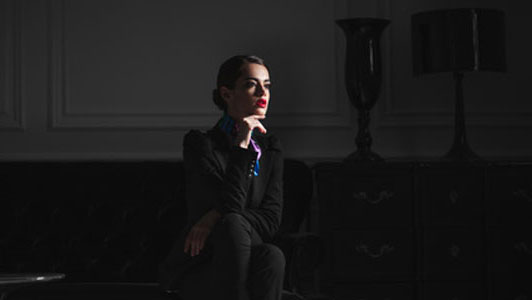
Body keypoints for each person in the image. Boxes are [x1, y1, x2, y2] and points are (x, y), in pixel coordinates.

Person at [159, 55, 285, 300]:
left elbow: (271, 220)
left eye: (267, 85)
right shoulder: (200, 144)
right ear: (227, 94)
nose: (263, 92)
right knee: (233, 225)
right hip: (206, 261)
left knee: (272, 256)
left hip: (252, 253)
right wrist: (242, 143)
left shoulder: (271, 148)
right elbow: (232, 208)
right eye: (251, 84)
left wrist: (213, 215)